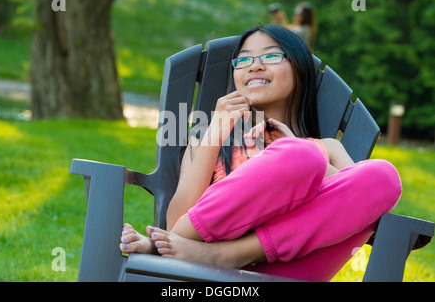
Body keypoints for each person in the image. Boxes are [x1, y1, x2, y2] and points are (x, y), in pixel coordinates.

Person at [119, 24, 402, 282]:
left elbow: (362, 207)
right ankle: (188, 250)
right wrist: (216, 129)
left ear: (299, 69)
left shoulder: (328, 149)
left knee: (384, 175)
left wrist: (300, 150)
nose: (254, 66)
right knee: (300, 156)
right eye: (243, 60)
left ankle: (226, 252)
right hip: (201, 267)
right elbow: (176, 220)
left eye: (270, 56)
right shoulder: (212, 142)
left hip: (292, 272)